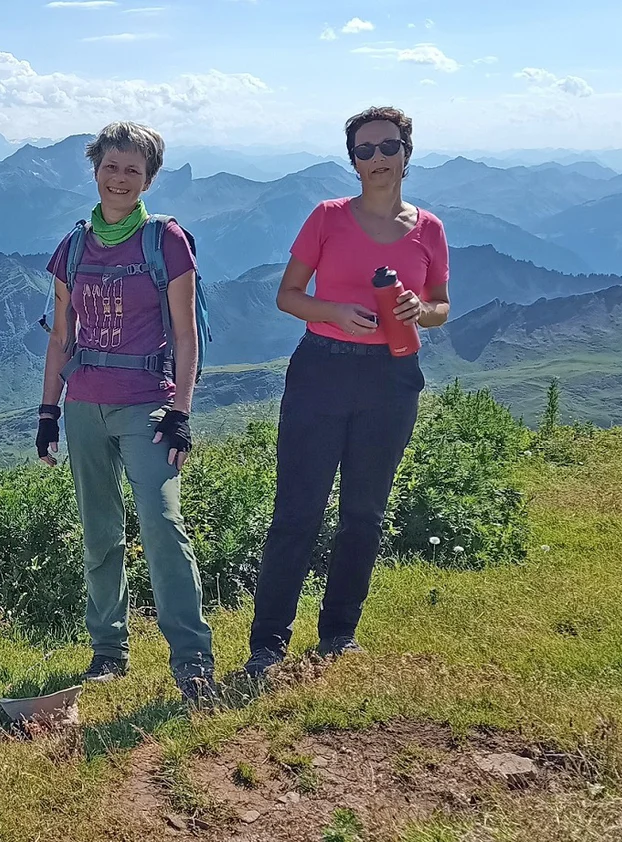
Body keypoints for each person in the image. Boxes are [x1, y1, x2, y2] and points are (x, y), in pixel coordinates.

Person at [243, 106, 452, 680]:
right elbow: (288, 295)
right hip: (322, 371)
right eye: (365, 150)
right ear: (352, 160)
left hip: (391, 377)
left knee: (364, 512)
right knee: (297, 512)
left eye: (388, 147)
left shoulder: (430, 228)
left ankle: (338, 635)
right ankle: (268, 646)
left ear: (408, 152)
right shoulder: (328, 218)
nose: (378, 159)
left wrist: (419, 310)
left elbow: (440, 306)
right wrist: (334, 310)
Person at [35, 121, 216, 701]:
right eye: (110, 166)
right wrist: (47, 411)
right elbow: (60, 339)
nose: (119, 178)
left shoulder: (166, 242)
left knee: (163, 524)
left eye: (132, 170)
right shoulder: (73, 246)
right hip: (84, 404)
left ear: (149, 179)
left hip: (147, 405)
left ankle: (191, 658)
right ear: (94, 169)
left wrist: (181, 411)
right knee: (99, 530)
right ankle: (108, 652)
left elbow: (186, 337)